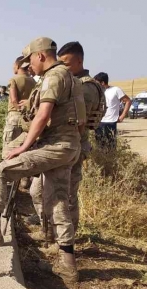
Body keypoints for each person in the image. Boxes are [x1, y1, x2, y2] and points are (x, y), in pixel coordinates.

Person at [0, 37, 84, 284]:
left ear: (40, 56)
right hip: (70, 146)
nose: (30, 66)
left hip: (55, 146)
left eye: (31, 59)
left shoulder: (53, 76)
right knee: (58, 200)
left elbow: (43, 114)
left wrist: (24, 146)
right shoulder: (72, 77)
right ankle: (68, 265)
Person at [30, 41, 104, 235]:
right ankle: (50, 233)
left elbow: (76, 122)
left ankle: (67, 239)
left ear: (79, 61)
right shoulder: (69, 81)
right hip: (59, 145)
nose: (63, 67)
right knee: (40, 192)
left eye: (67, 64)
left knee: (66, 196)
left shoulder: (85, 86)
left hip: (72, 147)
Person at [2, 56, 36, 159]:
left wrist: (18, 109)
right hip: (28, 118)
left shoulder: (14, 79)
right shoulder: (33, 81)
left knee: (8, 149)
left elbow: (13, 99)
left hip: (15, 117)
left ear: (17, 66)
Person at [93, 72, 130, 149]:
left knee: (110, 146)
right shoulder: (97, 92)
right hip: (98, 122)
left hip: (110, 122)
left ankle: (111, 160)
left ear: (102, 83)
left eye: (96, 83)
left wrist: (122, 116)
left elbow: (128, 101)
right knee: (99, 146)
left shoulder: (116, 90)